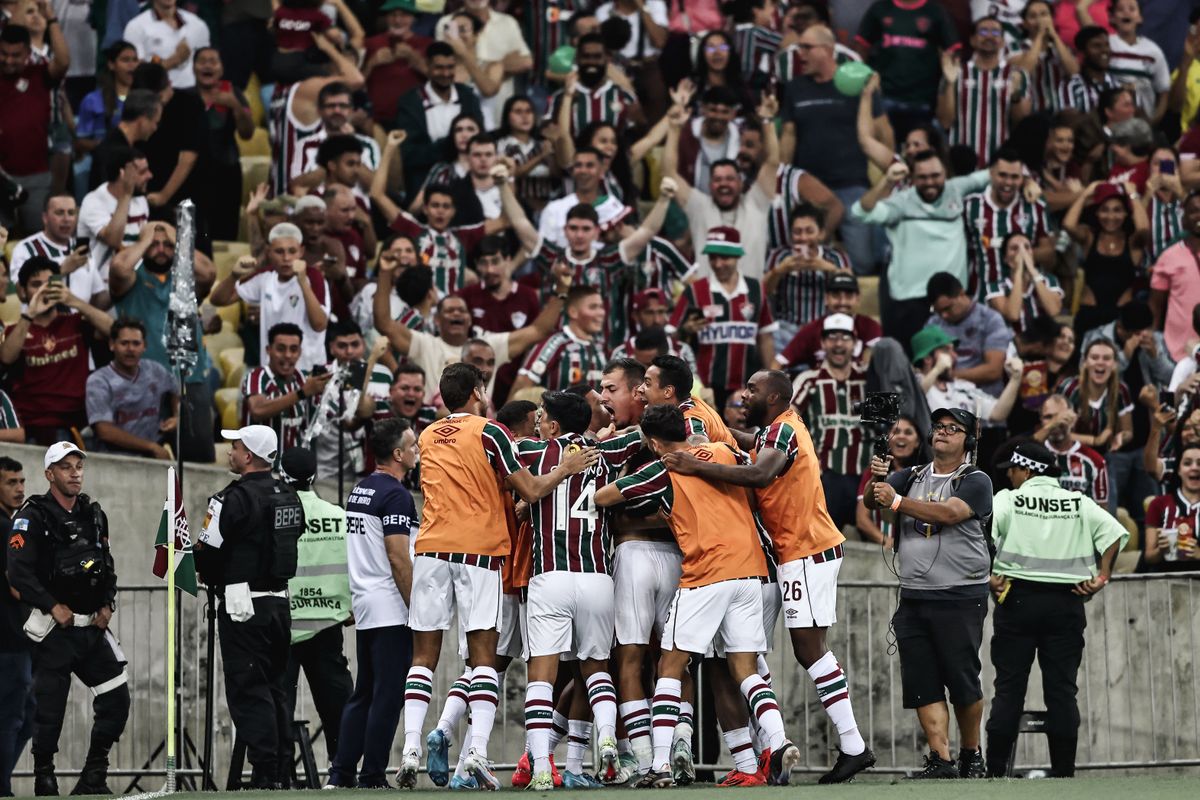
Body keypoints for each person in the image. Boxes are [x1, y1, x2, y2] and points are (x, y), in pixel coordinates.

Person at [662, 369, 876, 783]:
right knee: (757, 655)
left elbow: (760, 474)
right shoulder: (772, 432)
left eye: (753, 389)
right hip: (791, 553)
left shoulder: (783, 430)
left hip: (806, 549)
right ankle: (774, 752)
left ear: (776, 396)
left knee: (810, 650)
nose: (744, 394)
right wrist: (718, 439)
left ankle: (853, 746)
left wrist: (695, 463)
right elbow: (748, 446)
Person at [398, 363, 597, 790]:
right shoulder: (491, 433)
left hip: (431, 548)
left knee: (423, 657)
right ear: (477, 391)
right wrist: (565, 468)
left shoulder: (429, 435)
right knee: (484, 654)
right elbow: (530, 489)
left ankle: (411, 745)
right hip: (477, 550)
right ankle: (476, 754)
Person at [594, 403, 800, 788]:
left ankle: (657, 765)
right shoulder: (723, 452)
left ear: (654, 442)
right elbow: (746, 465)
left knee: (669, 666)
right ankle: (777, 740)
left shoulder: (662, 467)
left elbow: (605, 497)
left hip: (706, 573)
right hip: (750, 572)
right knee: (744, 668)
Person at [518, 391, 644, 789]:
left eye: (541, 418)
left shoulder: (532, 453)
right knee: (596, 671)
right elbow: (644, 431)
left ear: (554, 426)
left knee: (542, 674)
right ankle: (606, 740)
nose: (537, 423)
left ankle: (541, 766)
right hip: (596, 578)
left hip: (551, 576)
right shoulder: (609, 451)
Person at [863, 407, 993, 780]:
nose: (943, 433)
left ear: (968, 440)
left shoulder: (975, 479)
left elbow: (951, 513)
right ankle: (941, 758)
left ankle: (971, 752)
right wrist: (878, 483)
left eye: (953, 429)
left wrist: (897, 500)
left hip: (960, 593)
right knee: (924, 681)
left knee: (963, 679)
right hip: (916, 594)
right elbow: (873, 502)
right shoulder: (913, 475)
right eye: (938, 427)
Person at [986, 442, 1127, 777]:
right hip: (1067, 602)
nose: (1009, 474)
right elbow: (1115, 535)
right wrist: (1102, 576)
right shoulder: (1079, 502)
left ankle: (994, 774)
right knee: (1063, 691)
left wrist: (989, 575)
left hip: (1017, 600)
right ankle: (1064, 775)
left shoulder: (1008, 498)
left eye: (1013, 468)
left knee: (1008, 689)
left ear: (1027, 469)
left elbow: (981, 536)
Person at [7, 442, 127, 796]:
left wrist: (108, 604)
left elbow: (105, 564)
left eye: (78, 466)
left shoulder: (93, 513)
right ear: (49, 475)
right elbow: (18, 572)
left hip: (92, 628)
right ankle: (44, 778)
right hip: (54, 632)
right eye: (65, 467)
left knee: (117, 698)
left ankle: (94, 775)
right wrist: (50, 604)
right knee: (49, 713)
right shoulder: (32, 516)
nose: (74, 472)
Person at [195, 425, 305, 789]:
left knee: (249, 689)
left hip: (243, 604)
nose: (230, 451)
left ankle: (263, 773)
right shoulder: (289, 494)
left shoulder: (231, 498)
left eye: (235, 446)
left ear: (249, 455)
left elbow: (207, 555)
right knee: (275, 688)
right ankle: (281, 771)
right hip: (279, 602)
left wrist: (200, 565)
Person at [326, 419, 418, 789]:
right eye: (412, 445)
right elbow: (398, 557)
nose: (417, 451)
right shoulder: (395, 495)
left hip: (366, 603)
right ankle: (373, 775)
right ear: (397, 454)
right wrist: (417, 608)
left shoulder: (360, 489)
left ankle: (341, 774)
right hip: (390, 606)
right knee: (387, 694)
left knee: (365, 691)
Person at [373, 253, 571, 403]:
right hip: (433, 429)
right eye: (450, 311)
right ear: (437, 320)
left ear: (470, 319)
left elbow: (538, 330)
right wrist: (384, 273)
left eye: (462, 310)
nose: (457, 314)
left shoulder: (487, 346)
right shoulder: (424, 344)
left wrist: (561, 291)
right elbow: (384, 324)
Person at [852, 151, 989, 354]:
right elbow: (861, 212)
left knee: (952, 367)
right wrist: (887, 182)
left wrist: (1029, 181)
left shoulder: (956, 190)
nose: (930, 182)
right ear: (912, 179)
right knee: (907, 369)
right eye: (922, 177)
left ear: (945, 174)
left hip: (950, 301)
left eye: (935, 175)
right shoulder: (902, 202)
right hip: (909, 303)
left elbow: (994, 173)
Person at [781, 24, 892, 275]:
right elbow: (788, 135)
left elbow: (883, 131)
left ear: (828, 49)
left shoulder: (856, 86)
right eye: (799, 47)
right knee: (804, 262)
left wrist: (888, 176)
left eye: (807, 47)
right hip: (808, 189)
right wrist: (783, 179)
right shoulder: (794, 88)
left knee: (862, 264)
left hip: (851, 184)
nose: (800, 54)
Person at [109, 220, 216, 462]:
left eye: (167, 245)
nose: (161, 249)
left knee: (197, 461)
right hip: (142, 382)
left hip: (190, 379)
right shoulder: (130, 280)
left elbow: (208, 272)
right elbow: (118, 267)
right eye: (154, 245)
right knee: (139, 459)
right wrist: (145, 238)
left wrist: (178, 239)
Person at [279, 447, 353, 782]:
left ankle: (279, 774)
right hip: (327, 623)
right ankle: (343, 770)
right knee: (337, 704)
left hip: (283, 623)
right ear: (313, 477)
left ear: (281, 475)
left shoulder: (275, 514)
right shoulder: (337, 514)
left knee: (280, 703)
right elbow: (354, 566)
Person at [664, 94, 779, 281]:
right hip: (708, 304)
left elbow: (772, 161)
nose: (724, 184)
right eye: (717, 180)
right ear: (710, 185)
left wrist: (767, 120)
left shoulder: (757, 203)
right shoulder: (699, 206)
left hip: (749, 304)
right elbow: (669, 173)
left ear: (741, 184)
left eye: (729, 179)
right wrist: (675, 128)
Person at [0, 258, 114, 445]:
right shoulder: (16, 330)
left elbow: (114, 332)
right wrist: (30, 313)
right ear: (23, 291)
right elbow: (6, 357)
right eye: (36, 285)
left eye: (49, 284)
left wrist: (74, 301)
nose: (43, 290)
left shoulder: (75, 322)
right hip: (31, 426)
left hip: (73, 425)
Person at [668, 227, 776, 410]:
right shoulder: (695, 291)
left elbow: (765, 338)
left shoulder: (756, 290)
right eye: (713, 258)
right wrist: (686, 330)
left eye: (724, 257)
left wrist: (773, 380)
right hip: (705, 390)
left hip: (747, 387)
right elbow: (671, 340)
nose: (718, 264)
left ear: (738, 256)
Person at [210, 222, 332, 371]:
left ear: (301, 252)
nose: (286, 258)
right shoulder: (264, 277)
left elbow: (319, 325)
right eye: (279, 251)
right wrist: (234, 276)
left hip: (308, 369)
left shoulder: (314, 277)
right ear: (269, 252)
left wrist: (302, 282)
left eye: (292, 251)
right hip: (272, 370)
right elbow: (217, 300)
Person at [792, 314, 868, 530]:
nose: (838, 343)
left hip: (865, 475)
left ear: (854, 344)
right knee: (824, 542)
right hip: (826, 475)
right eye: (832, 337)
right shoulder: (811, 379)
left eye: (845, 338)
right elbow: (787, 417)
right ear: (823, 343)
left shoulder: (868, 378)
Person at [0, 15, 69, 235]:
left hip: (36, 176)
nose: (8, 60)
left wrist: (51, 20)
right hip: (1, 176)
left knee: (37, 239)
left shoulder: (41, 75)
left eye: (16, 55)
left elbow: (64, 61)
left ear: (29, 54)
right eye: (3, 54)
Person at [937, 18, 1029, 170]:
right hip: (961, 163)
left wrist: (1015, 96)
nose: (990, 36)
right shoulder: (955, 72)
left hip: (1002, 164)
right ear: (972, 40)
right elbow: (945, 121)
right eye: (983, 31)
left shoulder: (1016, 75)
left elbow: (1021, 125)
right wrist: (950, 84)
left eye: (995, 32)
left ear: (1002, 42)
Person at [394, 41, 483, 197]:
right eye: (439, 68)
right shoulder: (410, 102)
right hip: (427, 182)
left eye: (450, 67)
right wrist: (450, 146)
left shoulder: (468, 97)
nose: (446, 73)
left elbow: (480, 139)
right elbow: (410, 154)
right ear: (427, 66)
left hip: (470, 178)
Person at [962, 148, 1053, 299]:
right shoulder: (971, 205)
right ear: (990, 173)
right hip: (981, 297)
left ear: (1022, 178)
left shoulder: (1035, 206)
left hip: (1026, 299)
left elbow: (1049, 252)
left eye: (1014, 177)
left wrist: (1019, 253)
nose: (1008, 183)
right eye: (1002, 175)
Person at [85, 317, 178, 458]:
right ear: (112, 345)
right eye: (124, 343)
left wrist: (177, 417)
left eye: (136, 343)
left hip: (155, 452)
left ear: (144, 346)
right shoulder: (99, 381)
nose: (130, 349)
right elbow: (104, 431)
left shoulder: (156, 370)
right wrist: (151, 447)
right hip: (115, 458)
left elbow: (177, 393)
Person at [239, 322, 329, 458]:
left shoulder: (303, 379)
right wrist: (301, 393)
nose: (287, 355)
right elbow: (258, 410)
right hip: (260, 467)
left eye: (293, 349)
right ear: (268, 350)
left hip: (294, 469)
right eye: (281, 349)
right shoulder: (257, 377)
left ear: (300, 352)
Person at [926, 272, 1013, 398]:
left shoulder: (990, 319)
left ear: (961, 294)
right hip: (945, 402)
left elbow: (994, 370)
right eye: (938, 311)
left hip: (984, 399)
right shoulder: (933, 324)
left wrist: (950, 376)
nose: (943, 315)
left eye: (947, 308)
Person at [78, 146, 152, 290]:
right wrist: (126, 194)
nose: (150, 175)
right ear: (123, 174)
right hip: (101, 288)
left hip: (134, 281)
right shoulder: (94, 201)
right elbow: (113, 239)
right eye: (142, 172)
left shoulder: (140, 201)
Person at [0, 456, 31, 799]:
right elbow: (17, 585)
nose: (19, 489)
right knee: (13, 716)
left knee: (25, 713)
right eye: (11, 482)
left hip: (12, 639)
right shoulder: (8, 529)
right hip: (9, 640)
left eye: (22, 481)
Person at [511, 285, 609, 394]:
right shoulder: (554, 343)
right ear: (573, 312)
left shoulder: (600, 347)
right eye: (593, 307)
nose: (601, 313)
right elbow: (522, 386)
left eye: (601, 307)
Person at [775, 273, 882, 372]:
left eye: (848, 296)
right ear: (826, 298)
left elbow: (883, 363)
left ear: (858, 299)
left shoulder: (871, 327)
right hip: (821, 388)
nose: (842, 302)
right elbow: (780, 362)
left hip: (861, 388)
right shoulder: (812, 329)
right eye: (836, 296)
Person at [10, 195, 94, 304]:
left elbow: (98, 296)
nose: (66, 219)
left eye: (71, 213)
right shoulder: (26, 248)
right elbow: (22, 294)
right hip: (43, 320)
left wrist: (117, 283)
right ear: (45, 218)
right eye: (59, 213)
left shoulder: (82, 248)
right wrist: (62, 270)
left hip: (81, 319)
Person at [1150, 191, 1200, 363]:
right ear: (1183, 217)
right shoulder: (1168, 257)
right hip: (1176, 355)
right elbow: (1155, 309)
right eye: (1194, 210)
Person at [362, 0, 430, 126]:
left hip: (415, 117)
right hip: (378, 119)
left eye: (404, 15)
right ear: (386, 17)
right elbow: (357, 83)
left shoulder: (427, 44)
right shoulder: (370, 43)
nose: (398, 20)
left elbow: (439, 78)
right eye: (393, 15)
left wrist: (414, 58)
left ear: (413, 18)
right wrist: (372, 63)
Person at [987, 231, 1064, 336]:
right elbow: (1013, 314)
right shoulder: (995, 287)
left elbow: (1054, 310)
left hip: (1044, 344)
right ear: (1005, 258)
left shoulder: (1049, 280)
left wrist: (1032, 270)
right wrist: (1018, 271)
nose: (1022, 253)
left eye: (1026, 247)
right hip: (1011, 346)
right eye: (1015, 249)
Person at [122, 0, 210, 89]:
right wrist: (174, 60)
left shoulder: (197, 24)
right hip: (154, 94)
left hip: (191, 93)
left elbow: (207, 63)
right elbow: (137, 69)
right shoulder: (136, 26)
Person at [1040, 394, 1110, 504]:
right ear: (1040, 420)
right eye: (1048, 417)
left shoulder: (1095, 461)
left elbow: (1102, 512)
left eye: (1061, 416)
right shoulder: (1032, 457)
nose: (1056, 423)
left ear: (1073, 418)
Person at [1107, 0, 1168, 121]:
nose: (1126, 12)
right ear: (1112, 18)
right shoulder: (1107, 44)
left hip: (1143, 120)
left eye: (1132, 9)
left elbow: (1164, 92)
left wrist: (1154, 121)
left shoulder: (1153, 51)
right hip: (1111, 118)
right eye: (1120, 9)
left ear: (1140, 18)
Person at [1143, 442, 1200, 571]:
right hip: (1167, 580)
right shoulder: (1158, 504)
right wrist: (1160, 551)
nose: (1194, 468)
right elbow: (1149, 557)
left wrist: (1198, 554)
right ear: (1179, 470)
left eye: (1199, 463)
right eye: (1187, 463)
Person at [1057, 26, 1119, 113]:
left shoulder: (1115, 82)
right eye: (1096, 46)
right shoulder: (1072, 85)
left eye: (1106, 45)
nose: (1104, 50)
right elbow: (1069, 121)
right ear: (1082, 52)